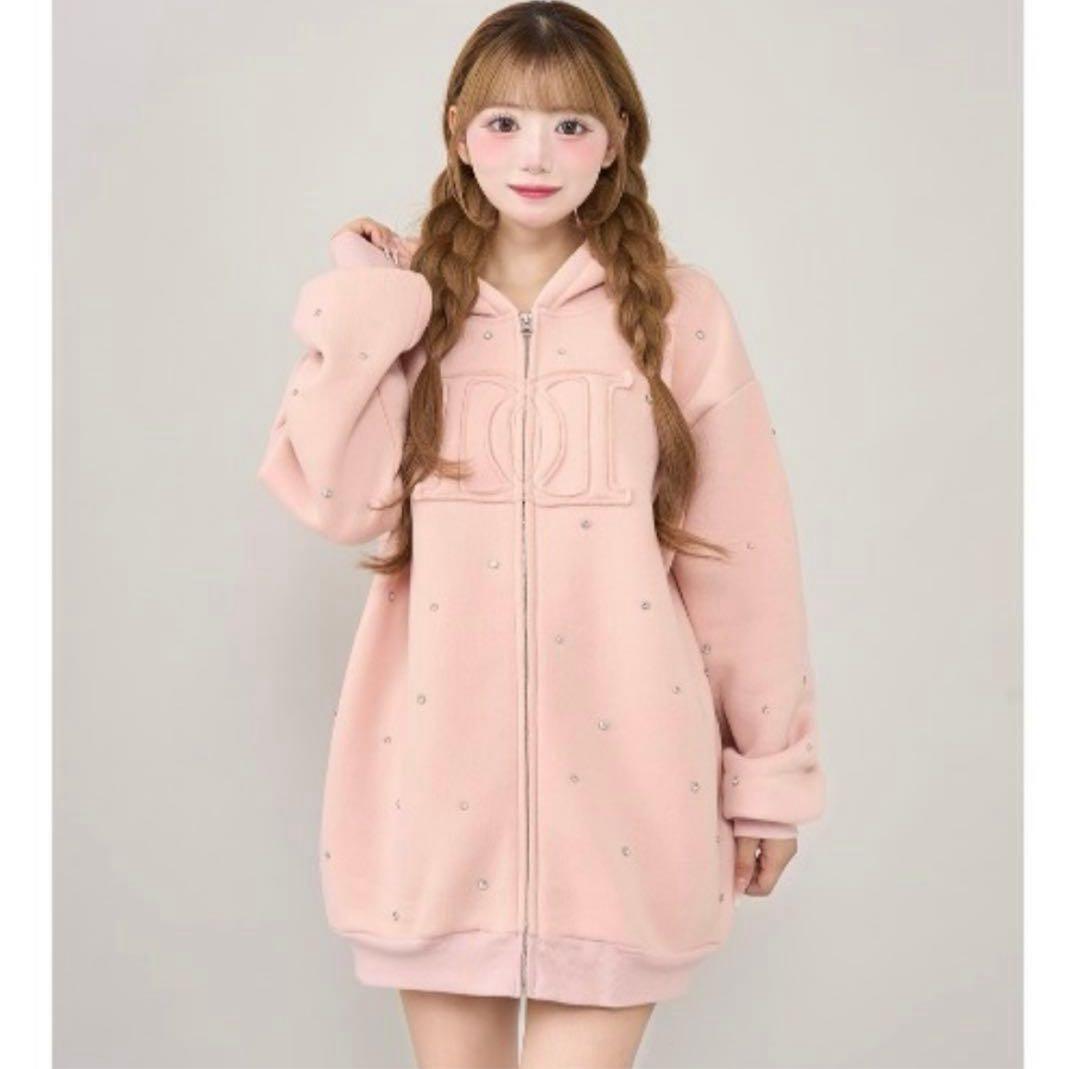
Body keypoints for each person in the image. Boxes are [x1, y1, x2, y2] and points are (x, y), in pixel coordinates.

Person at [256, 2, 826, 1066]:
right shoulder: (409, 305)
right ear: (459, 131)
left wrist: (768, 781)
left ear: (615, 141)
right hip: (435, 797)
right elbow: (337, 501)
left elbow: (748, 562)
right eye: (505, 122)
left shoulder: (683, 312)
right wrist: (368, 308)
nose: (535, 155)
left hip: (628, 798)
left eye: (570, 125)